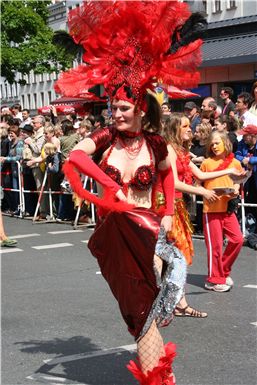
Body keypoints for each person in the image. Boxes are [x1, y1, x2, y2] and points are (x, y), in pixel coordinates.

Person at [54, 1, 208, 383]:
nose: (116, 114)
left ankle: (158, 377)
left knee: (145, 311)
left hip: (152, 233)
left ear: (140, 109)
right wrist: (108, 185)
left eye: (123, 107)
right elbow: (75, 155)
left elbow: (168, 176)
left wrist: (170, 210)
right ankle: (159, 377)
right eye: (113, 106)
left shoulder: (155, 144)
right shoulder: (105, 137)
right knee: (139, 311)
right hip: (118, 235)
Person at [162, 114, 242, 313]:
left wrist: (227, 173)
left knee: (180, 255)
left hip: (180, 206)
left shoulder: (181, 151)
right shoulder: (169, 150)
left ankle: (178, 303)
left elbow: (201, 175)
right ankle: (174, 302)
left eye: (190, 125)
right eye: (186, 126)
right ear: (175, 129)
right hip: (168, 207)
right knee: (174, 255)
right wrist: (203, 191)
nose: (191, 129)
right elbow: (174, 183)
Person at [200, 131, 244, 292]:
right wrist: (205, 192)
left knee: (237, 240)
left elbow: (239, 182)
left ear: (226, 143)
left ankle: (222, 271)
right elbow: (197, 183)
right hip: (211, 209)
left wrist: (235, 189)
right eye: (212, 144)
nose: (214, 146)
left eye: (217, 143)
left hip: (228, 208)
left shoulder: (235, 163)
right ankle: (214, 279)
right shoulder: (206, 163)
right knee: (215, 246)